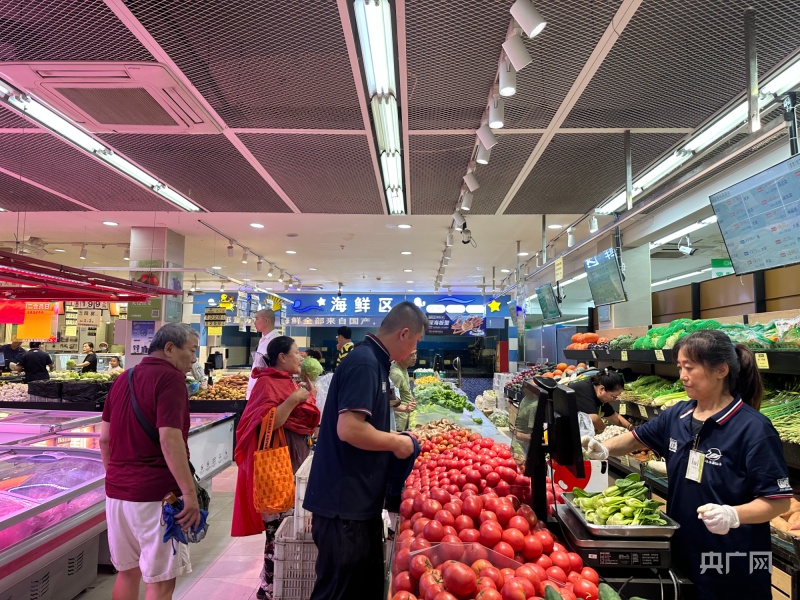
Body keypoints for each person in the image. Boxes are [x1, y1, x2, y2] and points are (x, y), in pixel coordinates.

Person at [582, 330, 791, 600]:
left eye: (689, 367)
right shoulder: (678, 414)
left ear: (721, 370)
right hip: (684, 549)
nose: (682, 375)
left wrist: (733, 515)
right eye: (680, 367)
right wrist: (602, 448)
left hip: (732, 561)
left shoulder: (753, 429)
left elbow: (778, 501)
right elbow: (635, 439)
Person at [304, 301, 427, 599]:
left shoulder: (374, 360)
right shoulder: (365, 363)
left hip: (357, 503)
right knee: (340, 591)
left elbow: (365, 423)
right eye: (417, 341)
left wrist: (392, 434)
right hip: (344, 505)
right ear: (404, 333)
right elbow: (349, 429)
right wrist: (397, 442)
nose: (415, 349)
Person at [99, 323, 201, 600]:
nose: (194, 359)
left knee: (127, 572)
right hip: (156, 496)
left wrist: (119, 479)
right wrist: (190, 494)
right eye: (191, 350)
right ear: (170, 349)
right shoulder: (171, 380)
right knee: (160, 580)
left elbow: (104, 439)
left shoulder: (125, 377)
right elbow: (170, 439)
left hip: (117, 495)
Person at [231, 336, 320, 600]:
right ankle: (270, 586)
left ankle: (276, 581)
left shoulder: (287, 382)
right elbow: (269, 422)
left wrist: (306, 393)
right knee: (277, 529)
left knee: (288, 525)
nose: (300, 357)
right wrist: (294, 399)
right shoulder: (267, 383)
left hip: (294, 460)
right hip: (277, 466)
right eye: (295, 353)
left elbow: (305, 421)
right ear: (281, 357)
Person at [247, 309, 279, 400]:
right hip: (256, 390)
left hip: (266, 391)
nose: (254, 322)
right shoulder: (262, 340)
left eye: (257, 319)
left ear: (266, 321)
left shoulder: (276, 340)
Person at [389, 350, 418, 432]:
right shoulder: (396, 374)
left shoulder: (403, 367)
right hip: (398, 420)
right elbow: (389, 402)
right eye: (411, 355)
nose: (415, 357)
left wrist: (411, 397)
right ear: (401, 357)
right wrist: (405, 408)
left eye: (415, 354)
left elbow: (404, 389)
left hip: (405, 416)